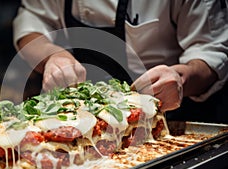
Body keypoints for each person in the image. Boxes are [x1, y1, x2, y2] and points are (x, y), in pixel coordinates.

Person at [12, 0, 228, 122]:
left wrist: (181, 78)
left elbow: (213, 50)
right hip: (82, 119)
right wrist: (52, 55)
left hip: (171, 118)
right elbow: (31, 22)